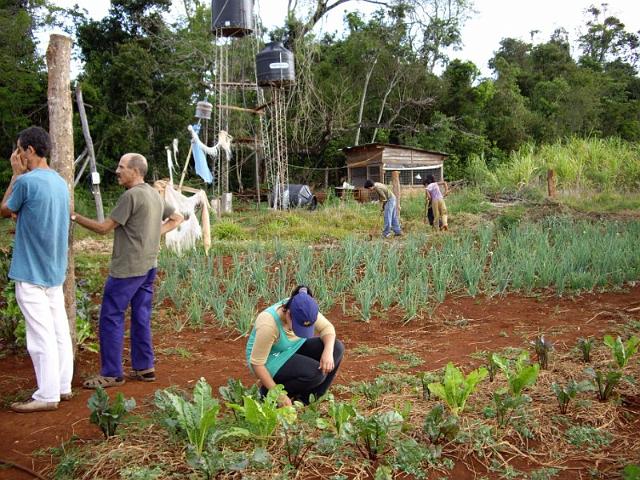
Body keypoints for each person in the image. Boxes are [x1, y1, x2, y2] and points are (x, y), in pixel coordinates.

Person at [73, 153, 183, 388]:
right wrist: (154, 234)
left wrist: (73, 215)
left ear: (136, 171)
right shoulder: (153, 194)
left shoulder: (131, 196)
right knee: (141, 316)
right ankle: (145, 367)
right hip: (149, 265)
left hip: (128, 268)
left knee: (111, 317)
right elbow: (177, 217)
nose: (117, 170)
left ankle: (112, 373)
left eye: (122, 167)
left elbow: (103, 229)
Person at [1, 127, 74, 413]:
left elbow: (5, 208)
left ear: (30, 150)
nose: (17, 155)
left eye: (19, 150)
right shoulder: (59, 182)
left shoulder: (26, 182)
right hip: (54, 269)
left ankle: (46, 394)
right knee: (58, 331)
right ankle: (62, 386)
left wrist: (15, 175)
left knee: (39, 335)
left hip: (30, 270)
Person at [246, 285, 345, 406]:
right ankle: (268, 394)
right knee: (315, 373)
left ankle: (307, 400)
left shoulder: (305, 309)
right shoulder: (269, 324)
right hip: (269, 358)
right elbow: (257, 364)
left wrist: (327, 352)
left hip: (292, 347)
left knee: (336, 348)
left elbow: (327, 328)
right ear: (288, 314)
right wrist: (278, 394)